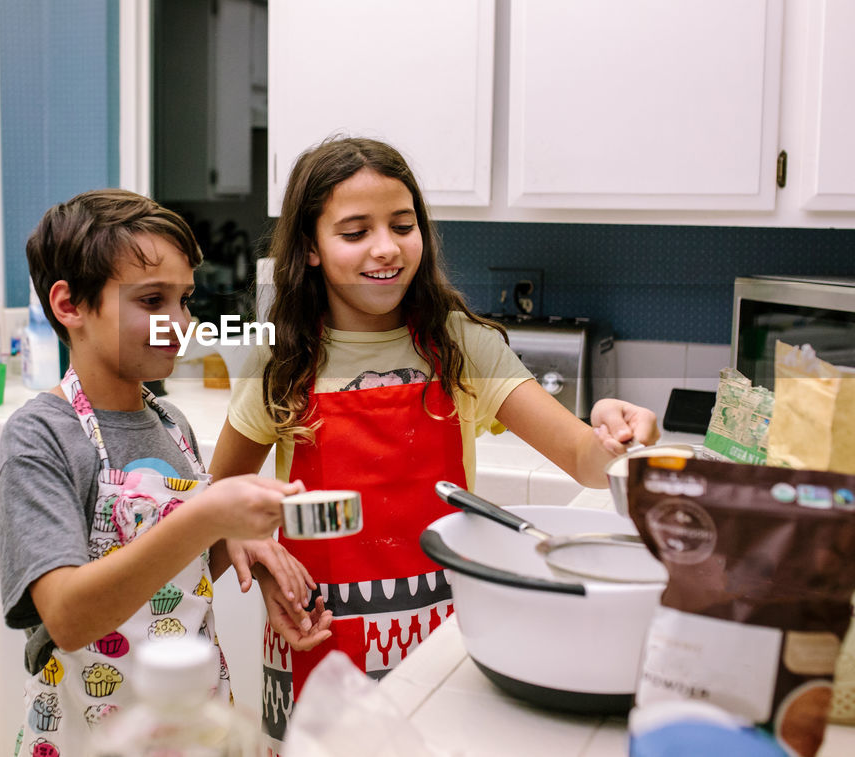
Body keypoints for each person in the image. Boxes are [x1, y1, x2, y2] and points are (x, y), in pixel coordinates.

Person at [208, 136, 661, 753]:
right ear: (310, 249)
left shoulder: (461, 345)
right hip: (313, 640)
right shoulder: (281, 361)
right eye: (355, 231)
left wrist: (613, 430)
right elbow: (220, 507)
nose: (387, 248)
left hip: (441, 636)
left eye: (403, 224)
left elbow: (583, 460)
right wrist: (259, 559)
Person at [0, 189, 326, 755]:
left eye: (185, 300)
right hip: (85, 735)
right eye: (151, 301)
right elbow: (69, 618)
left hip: (189, 724)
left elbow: (174, 585)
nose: (179, 323)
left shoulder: (171, 424)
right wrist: (209, 517)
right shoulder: (40, 438)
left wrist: (244, 549)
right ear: (69, 305)